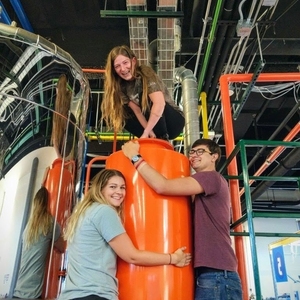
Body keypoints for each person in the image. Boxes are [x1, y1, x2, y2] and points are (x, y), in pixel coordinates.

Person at [122, 139, 243, 300]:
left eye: (200, 151)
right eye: (191, 152)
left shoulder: (211, 178)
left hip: (217, 275)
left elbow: (162, 186)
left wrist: (135, 157)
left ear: (214, 156)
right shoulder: (201, 187)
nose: (194, 156)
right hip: (212, 274)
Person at [59, 169, 191, 300]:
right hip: (94, 293)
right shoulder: (104, 212)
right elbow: (132, 256)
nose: (119, 192)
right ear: (100, 189)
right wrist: (173, 258)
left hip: (74, 294)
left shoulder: (84, 212)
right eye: (113, 187)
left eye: (122, 187)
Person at [101, 45, 185, 141]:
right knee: (120, 111)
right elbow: (137, 111)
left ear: (133, 61)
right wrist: (149, 133)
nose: (123, 69)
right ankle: (153, 138)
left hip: (172, 122)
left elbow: (159, 103)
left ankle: (162, 137)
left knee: (144, 97)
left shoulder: (144, 72)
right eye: (117, 66)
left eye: (125, 63)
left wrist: (146, 132)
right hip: (152, 123)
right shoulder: (120, 87)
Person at [13, 186, 64, 299]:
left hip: (18, 291)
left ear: (35, 203)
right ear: (48, 202)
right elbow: (62, 248)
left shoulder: (29, 227)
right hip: (33, 294)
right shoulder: (49, 222)